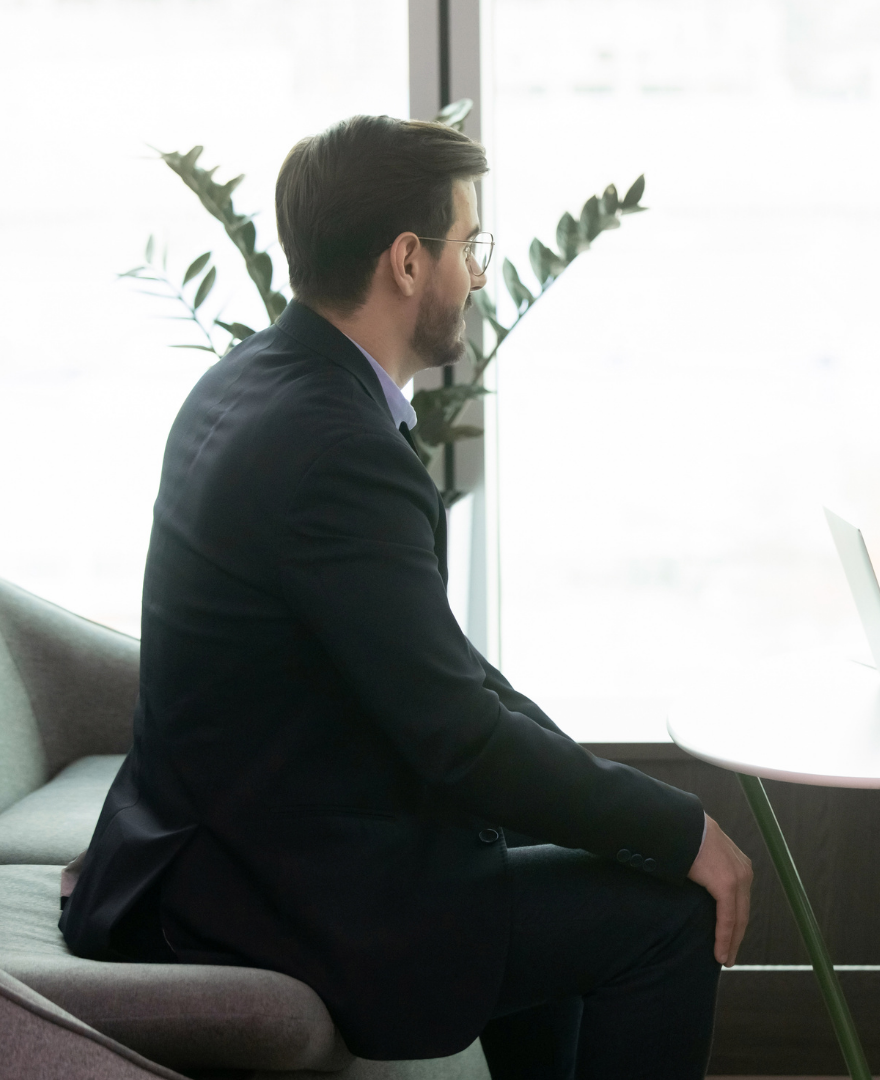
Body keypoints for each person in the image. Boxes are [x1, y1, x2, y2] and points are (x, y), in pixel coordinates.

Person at [61, 115, 753, 1080]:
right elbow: (455, 737)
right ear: (407, 263)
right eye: (468, 246)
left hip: (221, 848)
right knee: (668, 918)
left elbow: (450, 677)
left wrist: (619, 810)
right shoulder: (340, 447)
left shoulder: (244, 384)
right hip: (272, 891)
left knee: (542, 841)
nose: (477, 273)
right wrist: (682, 834)